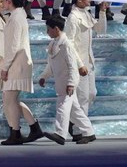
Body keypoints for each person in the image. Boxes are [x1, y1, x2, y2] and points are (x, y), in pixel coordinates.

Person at [39, 15, 97, 145]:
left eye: (49, 29)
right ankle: (89, 132)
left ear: (56, 29)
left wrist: (71, 83)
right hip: (61, 82)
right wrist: (44, 76)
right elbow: (50, 65)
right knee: (75, 110)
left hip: (67, 83)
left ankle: (60, 134)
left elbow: (72, 65)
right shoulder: (53, 44)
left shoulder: (66, 45)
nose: (47, 32)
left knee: (62, 106)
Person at [0, 0, 43, 145]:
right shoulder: (17, 16)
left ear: (9, 0)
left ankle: (17, 132)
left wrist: (5, 68)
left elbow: (13, 46)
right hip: (17, 62)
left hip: (17, 63)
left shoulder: (17, 18)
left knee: (9, 98)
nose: (2, 3)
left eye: (3, 0)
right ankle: (32, 127)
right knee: (10, 98)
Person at [65, 0, 108, 141]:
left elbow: (100, 30)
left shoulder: (86, 14)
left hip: (89, 62)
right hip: (79, 64)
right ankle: (80, 131)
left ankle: (74, 122)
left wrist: (102, 12)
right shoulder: (73, 17)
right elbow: (69, 43)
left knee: (91, 94)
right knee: (82, 97)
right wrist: (78, 64)